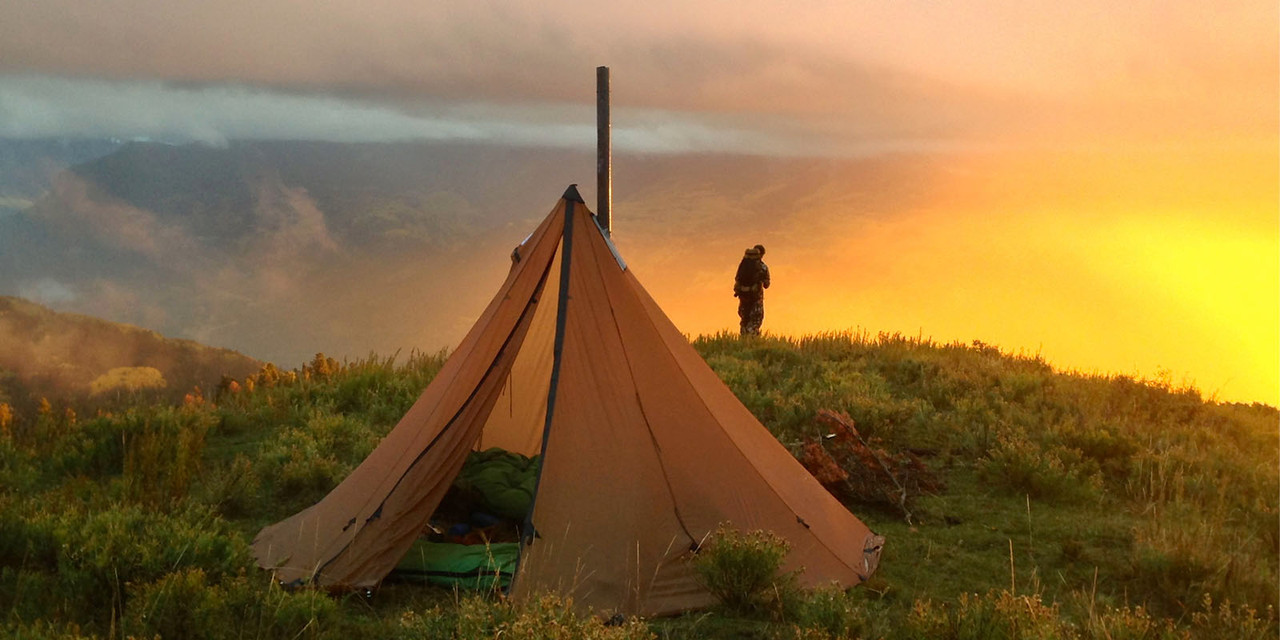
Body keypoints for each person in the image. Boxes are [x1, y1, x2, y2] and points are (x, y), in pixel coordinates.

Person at [733, 244, 770, 335]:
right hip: (756, 298)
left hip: (743, 297)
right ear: (762, 254)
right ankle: (752, 341)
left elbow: (738, 279)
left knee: (744, 321)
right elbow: (766, 285)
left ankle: (743, 341)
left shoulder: (743, 265)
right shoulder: (763, 267)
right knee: (755, 321)